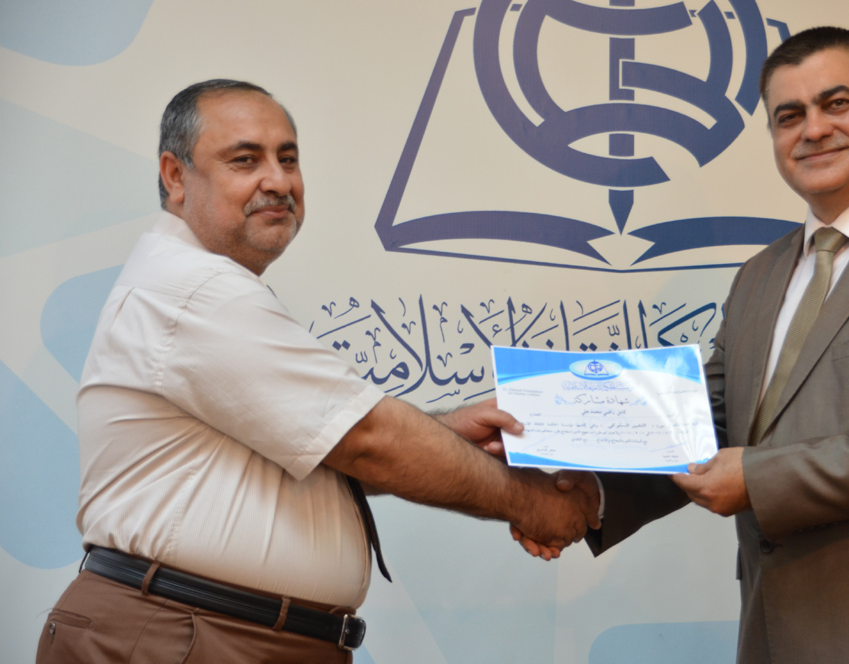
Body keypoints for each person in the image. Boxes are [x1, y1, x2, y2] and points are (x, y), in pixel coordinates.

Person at [524, 27, 849, 662]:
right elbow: (704, 419)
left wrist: (758, 479)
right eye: (789, 116)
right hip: (782, 630)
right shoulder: (760, 275)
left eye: (837, 104)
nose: (814, 129)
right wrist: (592, 490)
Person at [36, 79, 599, 664]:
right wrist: (531, 502)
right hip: (183, 635)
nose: (278, 182)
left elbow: (319, 447)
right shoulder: (195, 291)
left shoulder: (198, 287)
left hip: (217, 633)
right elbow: (367, 439)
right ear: (175, 176)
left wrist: (447, 432)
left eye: (288, 159)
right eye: (245, 160)